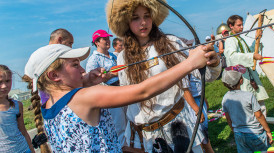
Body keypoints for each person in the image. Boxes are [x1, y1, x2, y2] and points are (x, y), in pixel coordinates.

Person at [22, 43, 215, 152]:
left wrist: (86, 80)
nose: (82, 69)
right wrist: (189, 64)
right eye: (75, 65)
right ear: (54, 76)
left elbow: (67, 96)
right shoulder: (85, 97)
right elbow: (142, 91)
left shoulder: (47, 104)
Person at [106, 0, 221, 152]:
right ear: (126, 23)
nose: (143, 22)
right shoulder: (123, 57)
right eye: (135, 18)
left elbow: (204, 75)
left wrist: (212, 62)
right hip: (148, 136)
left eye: (147, 16)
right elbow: (129, 97)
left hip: (179, 125)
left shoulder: (170, 43)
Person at [223, 15, 269, 116]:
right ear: (231, 26)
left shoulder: (239, 39)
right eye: (239, 25)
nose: (242, 27)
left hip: (249, 75)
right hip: (242, 77)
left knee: (259, 104)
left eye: (242, 24)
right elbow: (232, 57)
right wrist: (252, 55)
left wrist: (257, 40)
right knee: (249, 105)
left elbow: (248, 52)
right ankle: (255, 127)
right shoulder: (231, 40)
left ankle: (262, 126)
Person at [221, 67, 272, 153]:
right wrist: (268, 130)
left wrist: (234, 130)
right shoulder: (249, 96)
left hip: (239, 134)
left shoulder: (225, 98)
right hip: (255, 133)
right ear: (241, 81)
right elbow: (259, 115)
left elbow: (228, 118)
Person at [0, 65, 35, 153]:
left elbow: (23, 131)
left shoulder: (17, 105)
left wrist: (31, 149)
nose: (4, 86)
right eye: (0, 82)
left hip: (24, 149)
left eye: (7, 81)